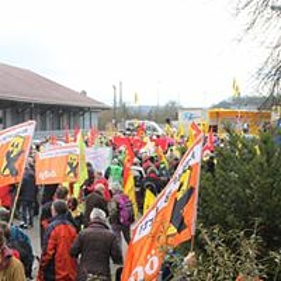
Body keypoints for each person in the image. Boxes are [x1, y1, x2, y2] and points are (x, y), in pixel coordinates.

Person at [70, 208, 123, 281]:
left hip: (84, 275)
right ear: (104, 220)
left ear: (91, 219)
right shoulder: (111, 236)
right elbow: (117, 258)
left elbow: (73, 252)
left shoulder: (83, 234)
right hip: (103, 274)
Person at [37, 200, 77, 281]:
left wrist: (41, 269)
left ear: (54, 211)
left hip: (55, 271)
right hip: (70, 270)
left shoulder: (52, 227)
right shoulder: (71, 227)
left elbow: (48, 252)